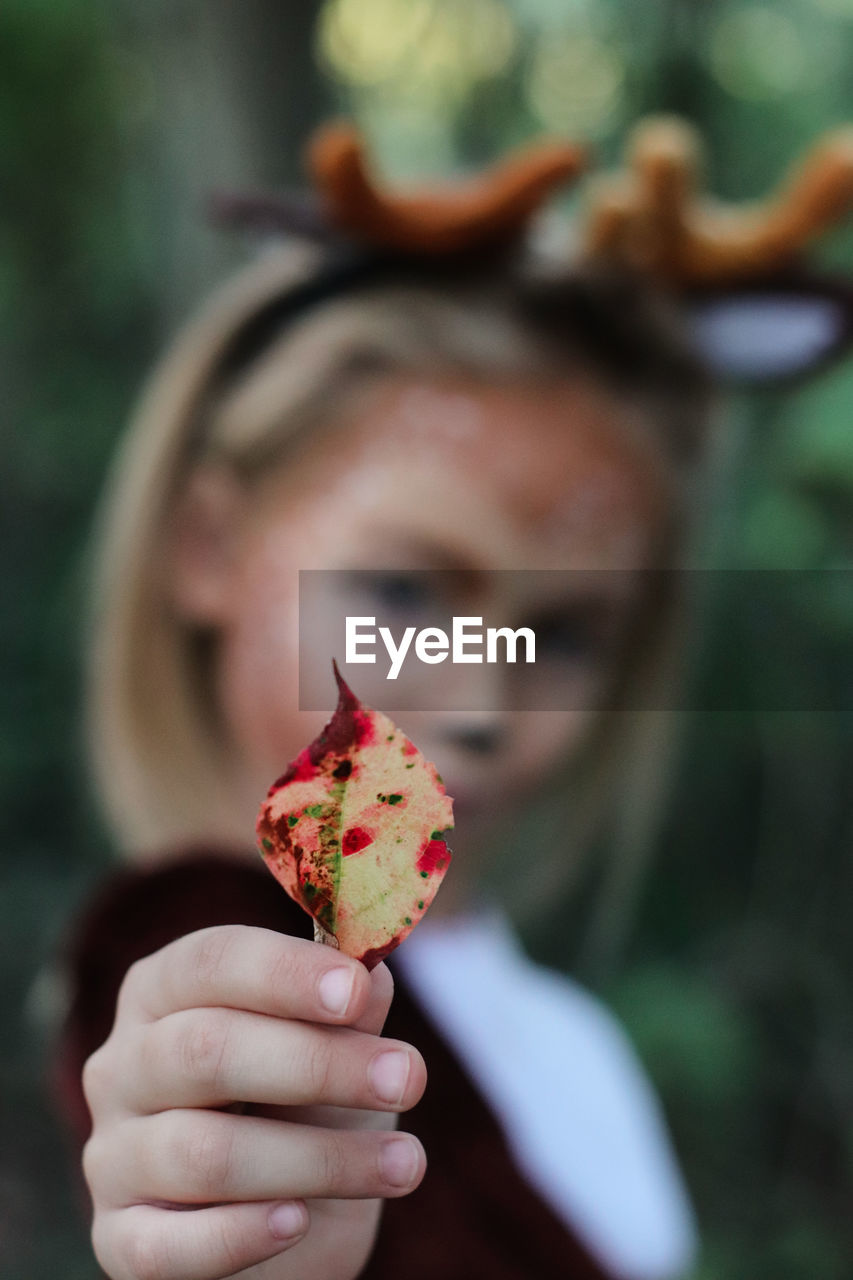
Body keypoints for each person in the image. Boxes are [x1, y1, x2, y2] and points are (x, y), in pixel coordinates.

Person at [55, 118, 853, 1280]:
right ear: (205, 545)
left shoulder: (578, 1044)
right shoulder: (193, 958)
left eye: (562, 632)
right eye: (403, 589)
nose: (482, 700)